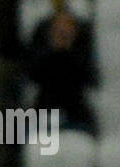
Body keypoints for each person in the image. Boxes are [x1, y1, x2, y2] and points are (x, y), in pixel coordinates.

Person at [23, 0, 96, 132]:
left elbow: (90, 77)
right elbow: (32, 73)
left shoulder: (83, 33)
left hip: (75, 108)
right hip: (44, 105)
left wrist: (68, 49)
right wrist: (54, 49)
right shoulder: (42, 29)